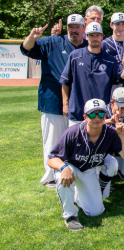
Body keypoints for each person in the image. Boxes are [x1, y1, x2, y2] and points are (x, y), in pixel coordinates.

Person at [20, 14, 88, 188]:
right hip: (53, 101)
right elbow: (27, 49)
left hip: (79, 103)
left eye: (77, 27)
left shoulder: (88, 46)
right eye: (70, 27)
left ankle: (72, 173)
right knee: (53, 140)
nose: (74, 30)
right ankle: (50, 177)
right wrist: (31, 37)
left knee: (76, 140)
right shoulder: (53, 42)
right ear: (67, 28)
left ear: (83, 28)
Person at [48, 98, 124, 230]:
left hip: (88, 170)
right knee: (62, 176)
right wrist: (63, 167)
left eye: (101, 114)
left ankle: (81, 195)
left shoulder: (110, 133)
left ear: (106, 116)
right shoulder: (72, 132)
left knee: (96, 212)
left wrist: (123, 136)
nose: (97, 118)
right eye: (92, 114)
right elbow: (52, 158)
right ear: (85, 117)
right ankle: (70, 215)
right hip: (71, 167)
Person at [60, 23, 124, 125]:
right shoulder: (75, 56)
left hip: (99, 115)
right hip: (77, 113)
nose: (95, 38)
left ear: (102, 37)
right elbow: (65, 81)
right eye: (92, 35)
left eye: (97, 35)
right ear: (86, 36)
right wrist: (65, 104)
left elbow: (123, 76)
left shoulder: (110, 60)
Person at [101, 13, 124, 92]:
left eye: (123, 24)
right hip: (109, 86)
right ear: (111, 25)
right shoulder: (104, 44)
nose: (120, 27)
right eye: (117, 24)